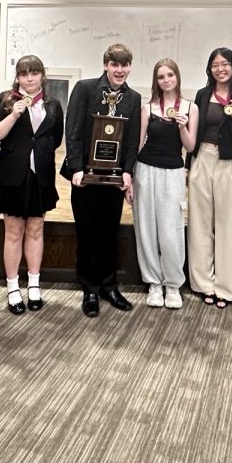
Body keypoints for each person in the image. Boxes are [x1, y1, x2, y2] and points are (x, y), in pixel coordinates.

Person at [61, 43, 142, 317]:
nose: (120, 70)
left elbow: (132, 141)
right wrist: (75, 168)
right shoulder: (85, 89)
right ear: (106, 64)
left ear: (130, 66)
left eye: (125, 65)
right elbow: (72, 130)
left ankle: (109, 285)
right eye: (115, 64)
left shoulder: (133, 97)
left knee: (110, 232)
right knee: (87, 233)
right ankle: (90, 289)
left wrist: (128, 172)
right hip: (85, 175)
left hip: (114, 178)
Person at [0, 55, 65, 315]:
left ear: (43, 75)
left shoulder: (53, 105)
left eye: (34, 73)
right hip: (12, 176)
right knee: (14, 232)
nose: (29, 79)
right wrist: (14, 115)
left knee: (36, 229)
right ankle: (12, 287)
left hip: (40, 176)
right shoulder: (6, 100)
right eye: (24, 74)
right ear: (17, 77)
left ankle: (33, 284)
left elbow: (54, 139)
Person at [187, 47, 232, 309]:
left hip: (230, 163)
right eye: (215, 64)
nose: (221, 69)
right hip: (201, 159)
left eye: (225, 64)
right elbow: (194, 132)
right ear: (209, 69)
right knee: (199, 222)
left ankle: (225, 288)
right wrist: (188, 165)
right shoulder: (202, 95)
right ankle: (202, 283)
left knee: (228, 224)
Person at [134, 59, 199, 309]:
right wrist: (129, 177)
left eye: (170, 74)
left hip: (173, 172)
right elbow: (138, 143)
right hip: (145, 170)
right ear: (156, 81)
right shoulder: (147, 108)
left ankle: (173, 284)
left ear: (177, 77)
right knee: (147, 228)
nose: (166, 80)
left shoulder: (190, 107)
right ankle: (153, 283)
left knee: (171, 230)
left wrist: (183, 127)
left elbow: (190, 146)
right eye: (161, 76)